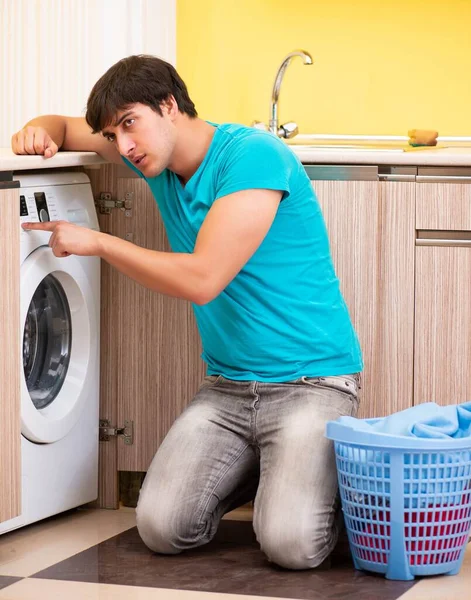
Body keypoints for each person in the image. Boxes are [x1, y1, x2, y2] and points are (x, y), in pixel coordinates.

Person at [12, 54, 363, 570]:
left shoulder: (253, 156)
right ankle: (273, 470)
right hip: (228, 387)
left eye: (130, 123)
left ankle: (307, 481)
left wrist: (100, 243)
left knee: (290, 546)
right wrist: (35, 132)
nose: (124, 147)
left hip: (313, 382)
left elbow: (203, 278)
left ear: (169, 105)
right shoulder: (150, 157)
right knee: (161, 527)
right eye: (113, 134)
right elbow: (64, 127)